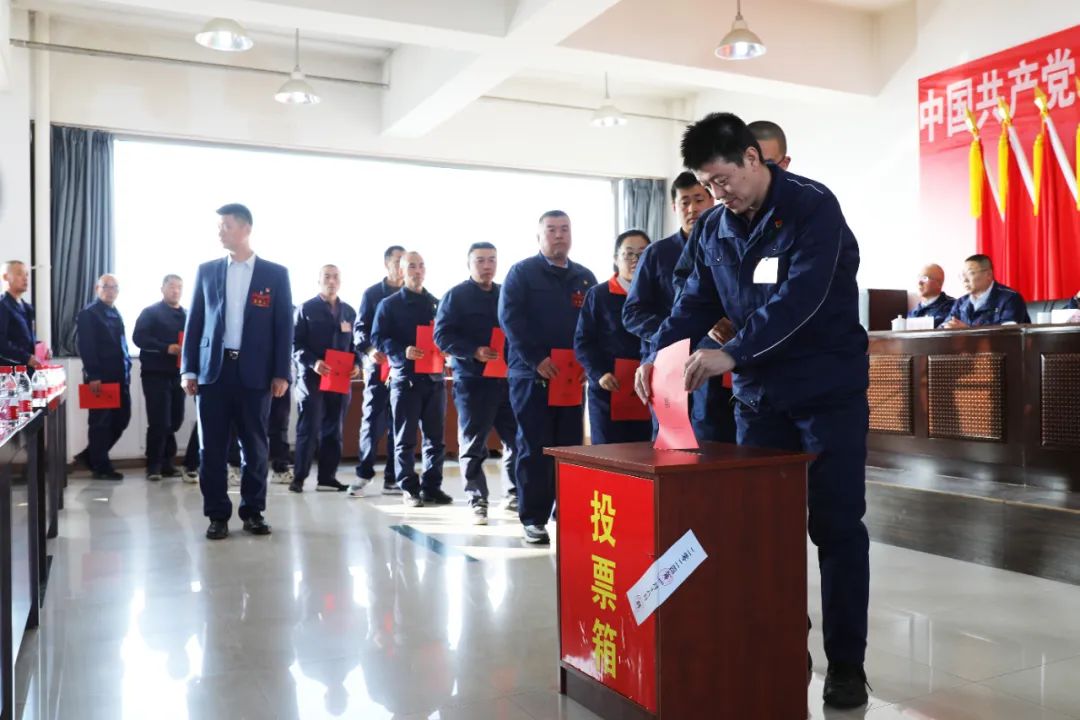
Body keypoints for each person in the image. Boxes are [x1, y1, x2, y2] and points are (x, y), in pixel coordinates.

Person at [634, 113, 871, 709]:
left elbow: (802, 298)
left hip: (826, 396)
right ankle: (784, 646)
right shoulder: (715, 227)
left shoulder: (813, 207)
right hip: (759, 402)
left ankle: (847, 663)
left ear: (751, 158)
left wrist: (733, 352)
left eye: (723, 180)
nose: (718, 194)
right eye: (706, 185)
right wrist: (657, 356)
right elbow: (693, 303)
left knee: (836, 528)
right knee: (765, 534)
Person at [182, 203, 293, 541]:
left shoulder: (275, 274)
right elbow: (195, 322)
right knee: (211, 449)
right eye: (219, 226)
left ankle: (253, 511)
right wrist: (188, 369)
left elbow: (283, 327)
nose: (220, 231)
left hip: (256, 374)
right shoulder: (207, 271)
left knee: (255, 447)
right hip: (213, 373)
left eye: (226, 225)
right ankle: (217, 515)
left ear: (246, 229)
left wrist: (281, 373)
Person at [499, 211, 597, 544]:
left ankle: (567, 512)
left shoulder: (585, 277)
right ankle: (533, 518)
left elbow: (594, 325)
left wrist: (588, 363)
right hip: (532, 376)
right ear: (539, 237)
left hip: (571, 377)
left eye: (564, 229)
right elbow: (510, 320)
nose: (559, 235)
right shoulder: (522, 273)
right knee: (535, 445)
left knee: (569, 446)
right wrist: (536, 359)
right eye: (551, 230)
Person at [623, 172, 732, 441]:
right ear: (674, 207)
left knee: (716, 441)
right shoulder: (656, 253)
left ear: (713, 200)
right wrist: (678, 331)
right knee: (671, 444)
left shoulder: (728, 244)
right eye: (685, 202)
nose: (692, 208)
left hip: (717, 362)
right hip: (668, 361)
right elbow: (632, 313)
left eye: (699, 199)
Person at [434, 242, 518, 525]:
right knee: (473, 444)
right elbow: (441, 336)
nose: (487, 266)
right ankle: (477, 499)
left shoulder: (506, 293)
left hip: (506, 380)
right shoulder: (456, 296)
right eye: (480, 260)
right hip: (473, 381)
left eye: (492, 260)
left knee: (516, 440)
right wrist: (473, 351)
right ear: (469, 264)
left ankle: (514, 494)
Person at [371, 251, 450, 508]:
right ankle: (408, 488)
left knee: (435, 439)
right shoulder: (389, 305)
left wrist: (447, 350)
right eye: (412, 266)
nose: (417, 270)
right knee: (405, 438)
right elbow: (377, 337)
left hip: (435, 379)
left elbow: (445, 336)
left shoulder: (436, 303)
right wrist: (401, 350)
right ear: (401, 271)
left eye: (421, 266)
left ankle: (432, 487)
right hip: (406, 380)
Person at [575, 230, 652, 444]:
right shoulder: (599, 295)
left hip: (647, 388)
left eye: (642, 254)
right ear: (616, 259)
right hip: (608, 389)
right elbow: (583, 341)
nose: (635, 259)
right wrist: (599, 373)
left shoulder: (657, 294)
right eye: (629, 254)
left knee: (644, 453)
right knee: (608, 453)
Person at [290, 264, 359, 493]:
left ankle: (327, 478)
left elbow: (355, 345)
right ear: (318, 281)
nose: (331, 281)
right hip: (312, 379)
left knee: (334, 430)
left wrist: (357, 364)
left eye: (335, 277)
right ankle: (299, 478)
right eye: (327, 277)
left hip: (340, 379)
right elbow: (294, 344)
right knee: (309, 429)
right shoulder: (305, 309)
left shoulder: (349, 312)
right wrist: (314, 362)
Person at [350, 246, 405, 497]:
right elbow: (360, 329)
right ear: (386, 264)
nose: (401, 266)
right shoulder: (372, 294)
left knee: (399, 423)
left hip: (402, 368)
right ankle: (364, 473)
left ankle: (393, 478)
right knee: (372, 420)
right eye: (397, 261)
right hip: (377, 366)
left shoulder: (412, 295)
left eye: (405, 261)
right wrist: (370, 351)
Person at [75, 274, 132, 480]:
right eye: (106, 286)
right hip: (100, 378)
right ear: (96, 289)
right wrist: (94, 375)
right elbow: (86, 346)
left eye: (114, 287)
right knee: (100, 423)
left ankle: (90, 456)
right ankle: (101, 467)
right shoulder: (89, 314)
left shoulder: (115, 311)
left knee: (122, 419)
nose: (110, 291)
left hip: (120, 377)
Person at [132, 274, 186, 481]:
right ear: (162, 289)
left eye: (179, 287)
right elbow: (139, 338)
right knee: (159, 421)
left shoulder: (187, 314)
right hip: (155, 374)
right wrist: (166, 348)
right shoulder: (151, 312)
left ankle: (167, 464)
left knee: (175, 420)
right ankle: (153, 465)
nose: (175, 290)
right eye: (171, 286)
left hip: (179, 376)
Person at [942, 255, 1030, 328]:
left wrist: (967, 331)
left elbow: (1008, 335)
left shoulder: (1010, 299)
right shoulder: (961, 302)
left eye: (970, 273)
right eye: (963, 275)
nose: (965, 280)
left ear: (988, 274)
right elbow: (943, 328)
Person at [0, 261, 41, 370]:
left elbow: (24, 340)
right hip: (9, 372)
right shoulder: (2, 305)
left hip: (28, 370)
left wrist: (41, 348)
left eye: (26, 274)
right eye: (19, 274)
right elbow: (1, 342)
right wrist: (26, 358)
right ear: (5, 277)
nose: (25, 278)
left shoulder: (28, 308)